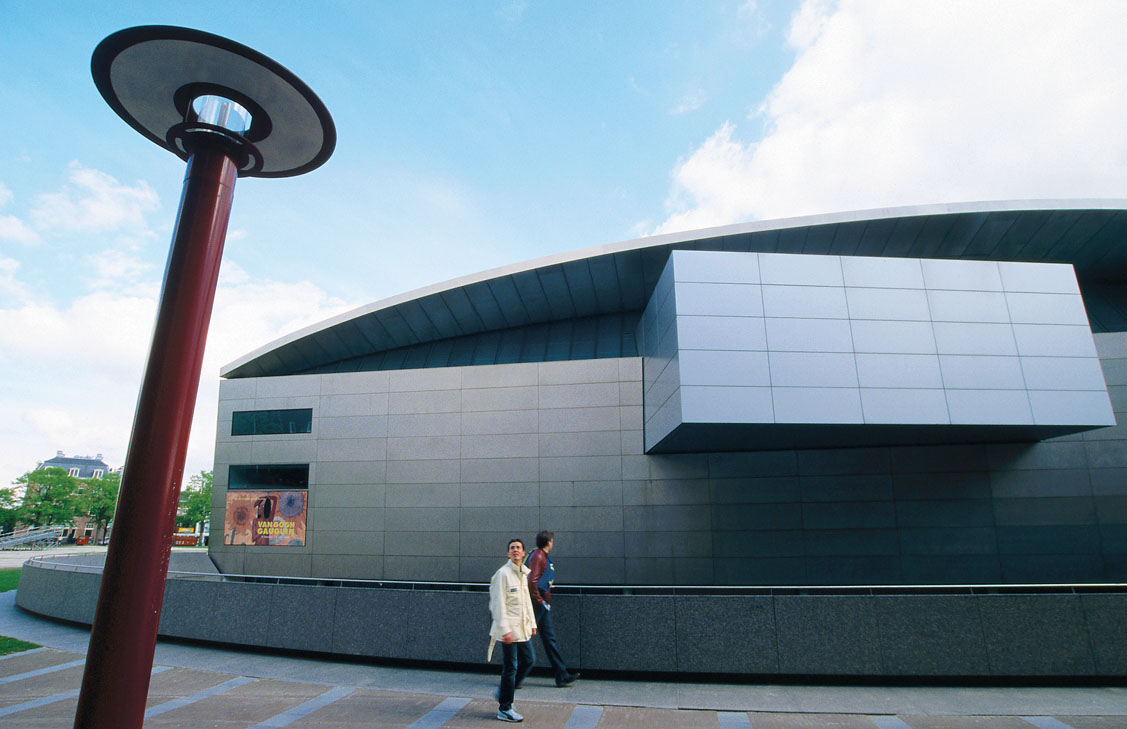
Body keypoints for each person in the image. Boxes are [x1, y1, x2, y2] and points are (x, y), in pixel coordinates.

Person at [488, 538, 536, 722]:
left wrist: (533, 624)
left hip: (522, 630)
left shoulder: (523, 573)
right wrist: (505, 630)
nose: (515, 550)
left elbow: (526, 603)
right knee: (511, 667)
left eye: (518, 548)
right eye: (512, 548)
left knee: (529, 660)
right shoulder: (503, 574)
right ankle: (505, 707)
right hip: (508, 631)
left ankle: (503, 693)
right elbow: (497, 604)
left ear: (523, 553)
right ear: (508, 553)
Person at [525, 530, 580, 687]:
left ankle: (561, 675)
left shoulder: (540, 556)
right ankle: (512, 675)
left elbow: (538, 580)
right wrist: (540, 600)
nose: (553, 543)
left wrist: (546, 589)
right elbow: (532, 581)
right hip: (538, 604)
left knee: (549, 640)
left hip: (542, 604)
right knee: (522, 637)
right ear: (549, 542)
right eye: (552, 541)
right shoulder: (539, 556)